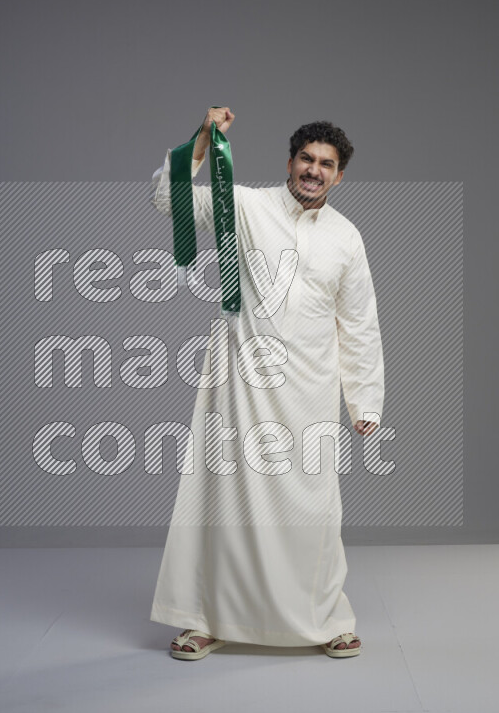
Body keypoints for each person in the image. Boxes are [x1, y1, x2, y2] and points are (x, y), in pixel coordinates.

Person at [149, 107, 384, 660]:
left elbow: (358, 323)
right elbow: (167, 198)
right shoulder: (245, 205)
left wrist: (364, 400)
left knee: (315, 510)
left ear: (339, 177)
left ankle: (325, 617)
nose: (314, 170)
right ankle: (207, 618)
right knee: (226, 501)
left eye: (326, 164)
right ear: (290, 162)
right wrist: (203, 137)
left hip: (311, 390)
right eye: (306, 158)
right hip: (241, 387)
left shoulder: (347, 238)